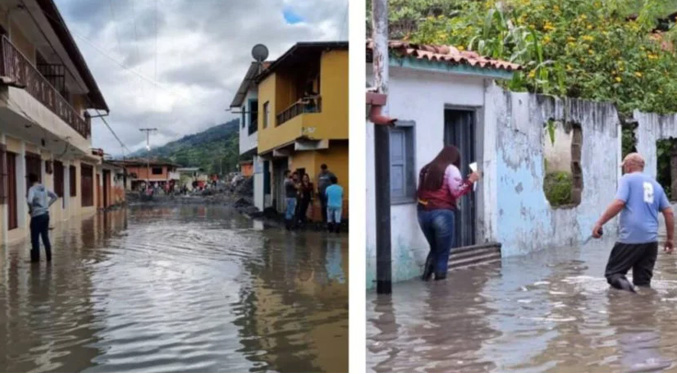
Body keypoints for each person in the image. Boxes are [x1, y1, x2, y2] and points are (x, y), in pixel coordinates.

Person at [592, 152, 674, 292]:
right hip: (651, 241)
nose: (624, 169)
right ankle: (643, 309)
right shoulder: (656, 185)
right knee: (643, 282)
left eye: (624, 166)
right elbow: (669, 212)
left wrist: (599, 222)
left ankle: (631, 297)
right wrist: (670, 239)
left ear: (629, 166)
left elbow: (619, 203)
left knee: (613, 274)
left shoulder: (627, 179)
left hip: (631, 237)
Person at [417, 146, 480, 281]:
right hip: (442, 213)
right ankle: (440, 289)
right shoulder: (451, 169)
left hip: (423, 214)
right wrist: (470, 181)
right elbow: (456, 191)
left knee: (434, 248)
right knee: (443, 252)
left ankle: (425, 280)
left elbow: (419, 191)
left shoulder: (425, 169)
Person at [27, 173, 58, 263]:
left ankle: (36, 262)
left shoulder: (32, 189)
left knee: (35, 239)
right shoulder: (43, 188)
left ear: (30, 180)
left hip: (36, 216)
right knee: (45, 237)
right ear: (38, 178)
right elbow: (55, 196)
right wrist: (46, 205)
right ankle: (49, 259)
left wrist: (31, 210)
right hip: (45, 215)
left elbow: (29, 201)